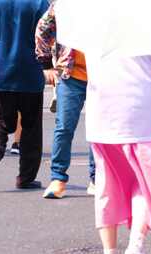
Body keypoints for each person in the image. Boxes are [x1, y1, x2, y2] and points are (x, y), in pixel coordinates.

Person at [85, 54, 151, 254]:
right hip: (143, 112)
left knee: (106, 185)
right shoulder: (148, 24)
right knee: (145, 183)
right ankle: (136, 246)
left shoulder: (92, 26)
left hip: (101, 114)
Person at [0, 0, 49, 190]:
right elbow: (51, 31)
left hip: (2, 72)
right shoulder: (39, 3)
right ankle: (26, 177)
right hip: (31, 72)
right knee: (31, 126)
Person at [35, 2, 96, 199]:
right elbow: (43, 29)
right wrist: (46, 64)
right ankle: (58, 179)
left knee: (100, 129)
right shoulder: (64, 4)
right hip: (71, 75)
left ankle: (97, 178)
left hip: (103, 74)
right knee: (64, 127)